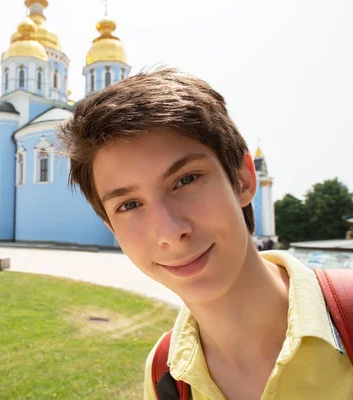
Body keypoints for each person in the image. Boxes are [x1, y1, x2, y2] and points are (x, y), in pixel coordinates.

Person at [57, 68, 353, 399]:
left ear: (242, 180)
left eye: (186, 180)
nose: (169, 231)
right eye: (129, 205)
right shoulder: (164, 374)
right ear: (112, 228)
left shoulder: (347, 318)